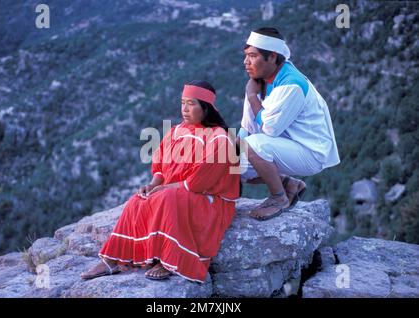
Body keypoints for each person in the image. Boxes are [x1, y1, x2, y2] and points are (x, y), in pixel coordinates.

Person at [81, 80, 240, 283]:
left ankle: (169, 259)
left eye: (191, 104)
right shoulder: (176, 131)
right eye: (182, 103)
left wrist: (162, 189)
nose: (184, 109)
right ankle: (113, 259)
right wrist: (153, 184)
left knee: (167, 197)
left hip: (210, 200)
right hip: (178, 191)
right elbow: (161, 166)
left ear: (206, 108)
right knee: (138, 200)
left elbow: (196, 184)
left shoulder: (220, 139)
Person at [238, 27, 340, 221]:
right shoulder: (259, 81)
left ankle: (279, 198)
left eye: (252, 56)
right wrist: (231, 156)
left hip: (310, 152)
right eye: (246, 56)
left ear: (272, 57)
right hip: (284, 146)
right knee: (234, 166)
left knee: (253, 145)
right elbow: (248, 127)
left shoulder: (291, 84)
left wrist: (252, 96)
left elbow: (269, 129)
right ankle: (289, 184)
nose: (246, 62)